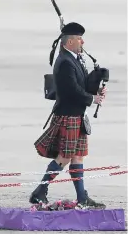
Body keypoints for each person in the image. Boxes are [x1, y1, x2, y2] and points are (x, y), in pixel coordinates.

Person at [31, 22, 107, 209]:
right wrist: (92, 99)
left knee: (77, 156)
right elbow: (71, 90)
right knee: (65, 156)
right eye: (79, 38)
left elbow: (81, 85)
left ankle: (82, 198)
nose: (83, 41)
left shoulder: (75, 58)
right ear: (70, 41)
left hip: (77, 115)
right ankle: (39, 192)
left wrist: (97, 86)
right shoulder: (64, 62)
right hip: (68, 115)